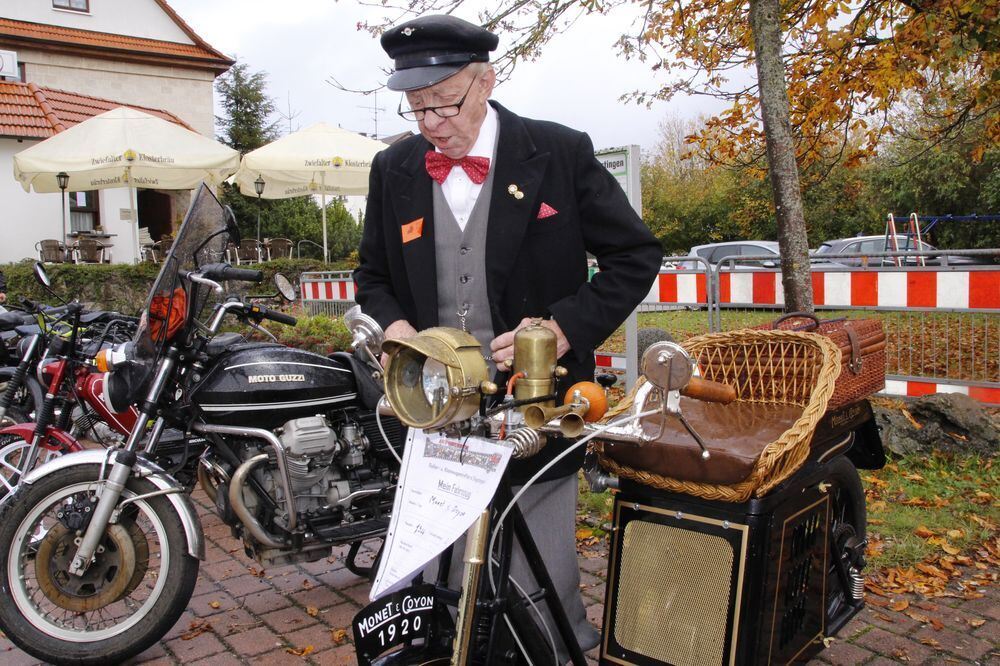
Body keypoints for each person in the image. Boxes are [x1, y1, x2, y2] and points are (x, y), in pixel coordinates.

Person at [354, 14, 663, 660]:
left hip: (537, 416)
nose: (431, 124)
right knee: (434, 585)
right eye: (417, 110)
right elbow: (372, 276)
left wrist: (558, 328)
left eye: (444, 104)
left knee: (537, 590)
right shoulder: (394, 169)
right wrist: (398, 330)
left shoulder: (559, 153)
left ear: (487, 81)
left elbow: (636, 255)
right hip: (435, 419)